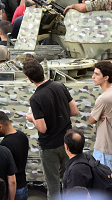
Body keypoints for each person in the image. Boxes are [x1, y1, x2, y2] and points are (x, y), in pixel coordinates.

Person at [24, 58, 79, 200]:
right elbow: (74, 111)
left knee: (53, 184)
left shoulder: (36, 98)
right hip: (67, 142)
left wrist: (31, 118)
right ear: (43, 72)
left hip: (49, 146)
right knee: (68, 179)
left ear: (29, 79)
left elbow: (42, 128)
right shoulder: (60, 86)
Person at [88, 61, 112, 193]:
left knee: (102, 187)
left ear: (106, 77)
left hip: (106, 148)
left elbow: (91, 120)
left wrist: (98, 116)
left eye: (97, 74)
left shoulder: (103, 98)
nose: (93, 76)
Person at [0, 111, 29, 200]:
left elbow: (8, 172)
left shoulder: (6, 144)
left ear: (0, 126)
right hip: (24, 185)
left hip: (14, 189)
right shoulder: (22, 136)